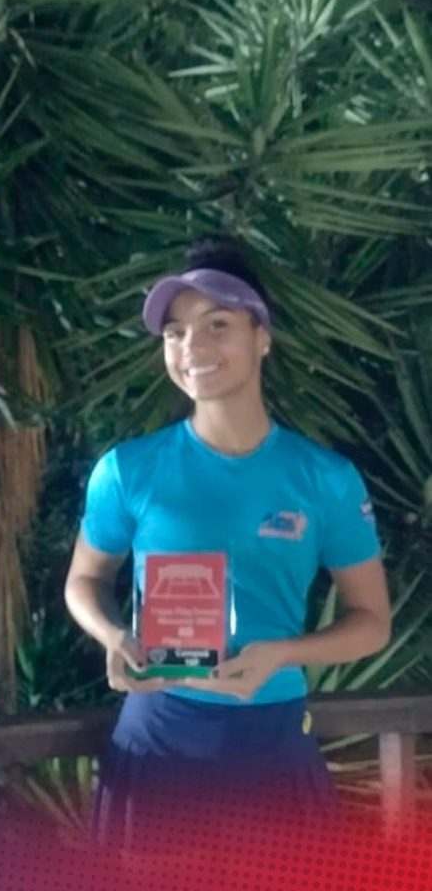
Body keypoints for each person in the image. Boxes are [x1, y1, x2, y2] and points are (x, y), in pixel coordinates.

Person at [64, 241, 391, 849]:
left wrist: (282, 654)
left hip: (275, 743)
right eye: (176, 332)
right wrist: (114, 636)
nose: (193, 347)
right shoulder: (128, 469)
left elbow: (371, 623)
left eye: (217, 325)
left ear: (262, 336)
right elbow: (84, 581)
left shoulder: (325, 479)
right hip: (157, 740)